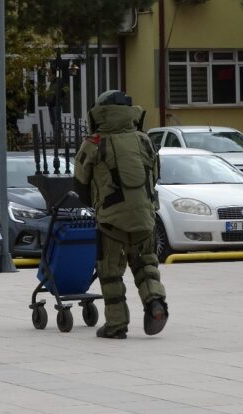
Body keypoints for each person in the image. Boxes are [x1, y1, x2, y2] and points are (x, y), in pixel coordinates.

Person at [73, 90, 168, 339]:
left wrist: (97, 202)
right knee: (146, 263)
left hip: (111, 222)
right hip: (145, 217)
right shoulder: (144, 140)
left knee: (110, 271)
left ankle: (116, 325)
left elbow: (80, 181)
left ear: (100, 113)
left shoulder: (94, 143)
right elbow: (155, 175)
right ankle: (155, 303)